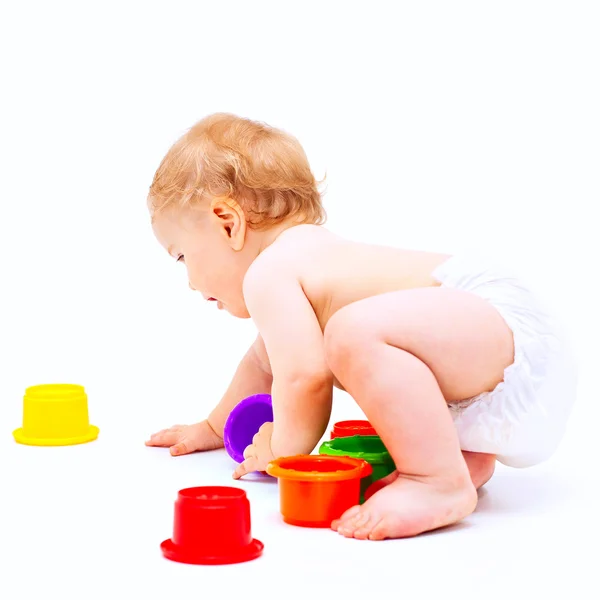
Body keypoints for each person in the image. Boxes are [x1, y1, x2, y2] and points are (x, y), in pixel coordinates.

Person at [145, 113, 576, 540]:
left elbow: (304, 376)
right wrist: (217, 428)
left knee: (351, 332)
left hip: (499, 325)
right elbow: (267, 365)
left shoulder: (268, 274)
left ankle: (435, 481)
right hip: (499, 356)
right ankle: (459, 459)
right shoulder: (309, 262)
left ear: (228, 222)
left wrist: (283, 447)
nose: (189, 282)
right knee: (343, 335)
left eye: (183, 256)